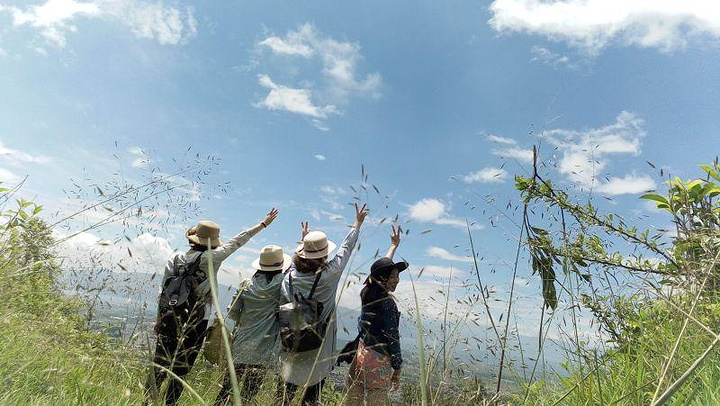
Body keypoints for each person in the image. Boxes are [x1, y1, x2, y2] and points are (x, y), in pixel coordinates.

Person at [145, 208, 279, 405]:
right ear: (213, 242)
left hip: (169, 316)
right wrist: (263, 224)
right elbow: (238, 241)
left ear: (193, 239)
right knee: (181, 369)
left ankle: (147, 400)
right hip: (196, 320)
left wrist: (160, 319)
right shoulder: (211, 258)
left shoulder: (175, 259)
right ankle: (170, 403)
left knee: (160, 363)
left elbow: (164, 291)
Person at [278, 203, 368, 405]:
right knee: (311, 399)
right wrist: (357, 223)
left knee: (283, 397)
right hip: (319, 350)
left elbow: (292, 266)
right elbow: (345, 249)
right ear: (325, 254)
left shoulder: (289, 278)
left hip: (291, 345)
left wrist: (305, 241)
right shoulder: (329, 276)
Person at [214, 244, 292, 405]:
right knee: (247, 395)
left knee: (226, 389)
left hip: (241, 344)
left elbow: (232, 311)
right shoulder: (281, 286)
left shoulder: (246, 284)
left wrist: (245, 321)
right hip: (264, 350)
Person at [345, 225, 407, 406]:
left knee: (354, 395)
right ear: (383, 279)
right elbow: (392, 337)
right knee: (376, 398)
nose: (397, 280)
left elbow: (380, 268)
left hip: (362, 354)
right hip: (379, 360)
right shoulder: (388, 304)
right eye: (393, 276)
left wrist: (393, 246)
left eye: (397, 276)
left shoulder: (367, 292)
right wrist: (397, 366)